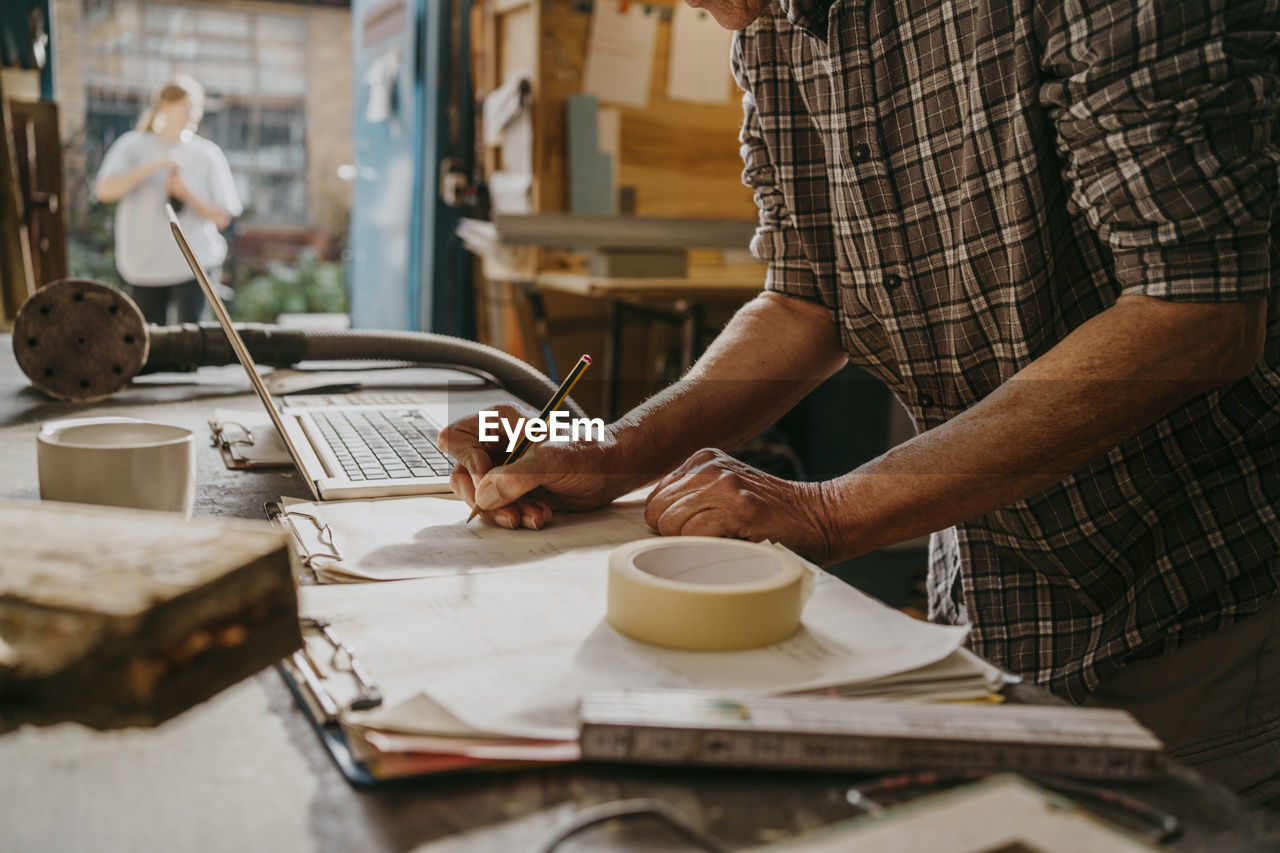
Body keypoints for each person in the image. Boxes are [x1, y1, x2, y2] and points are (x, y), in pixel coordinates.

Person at [440, 0, 1279, 806]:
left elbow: (1197, 311)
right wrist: (620, 448)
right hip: (983, 610)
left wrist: (834, 511)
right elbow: (806, 298)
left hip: (1202, 609)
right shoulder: (772, 24)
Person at [94, 75, 242, 324]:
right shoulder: (132, 146)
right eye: (186, 107)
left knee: (193, 346)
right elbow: (104, 190)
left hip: (194, 265)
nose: (193, 115)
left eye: (197, 108)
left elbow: (222, 217)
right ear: (164, 105)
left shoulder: (207, 154)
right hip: (143, 266)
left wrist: (187, 193)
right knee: (152, 346)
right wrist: (155, 165)